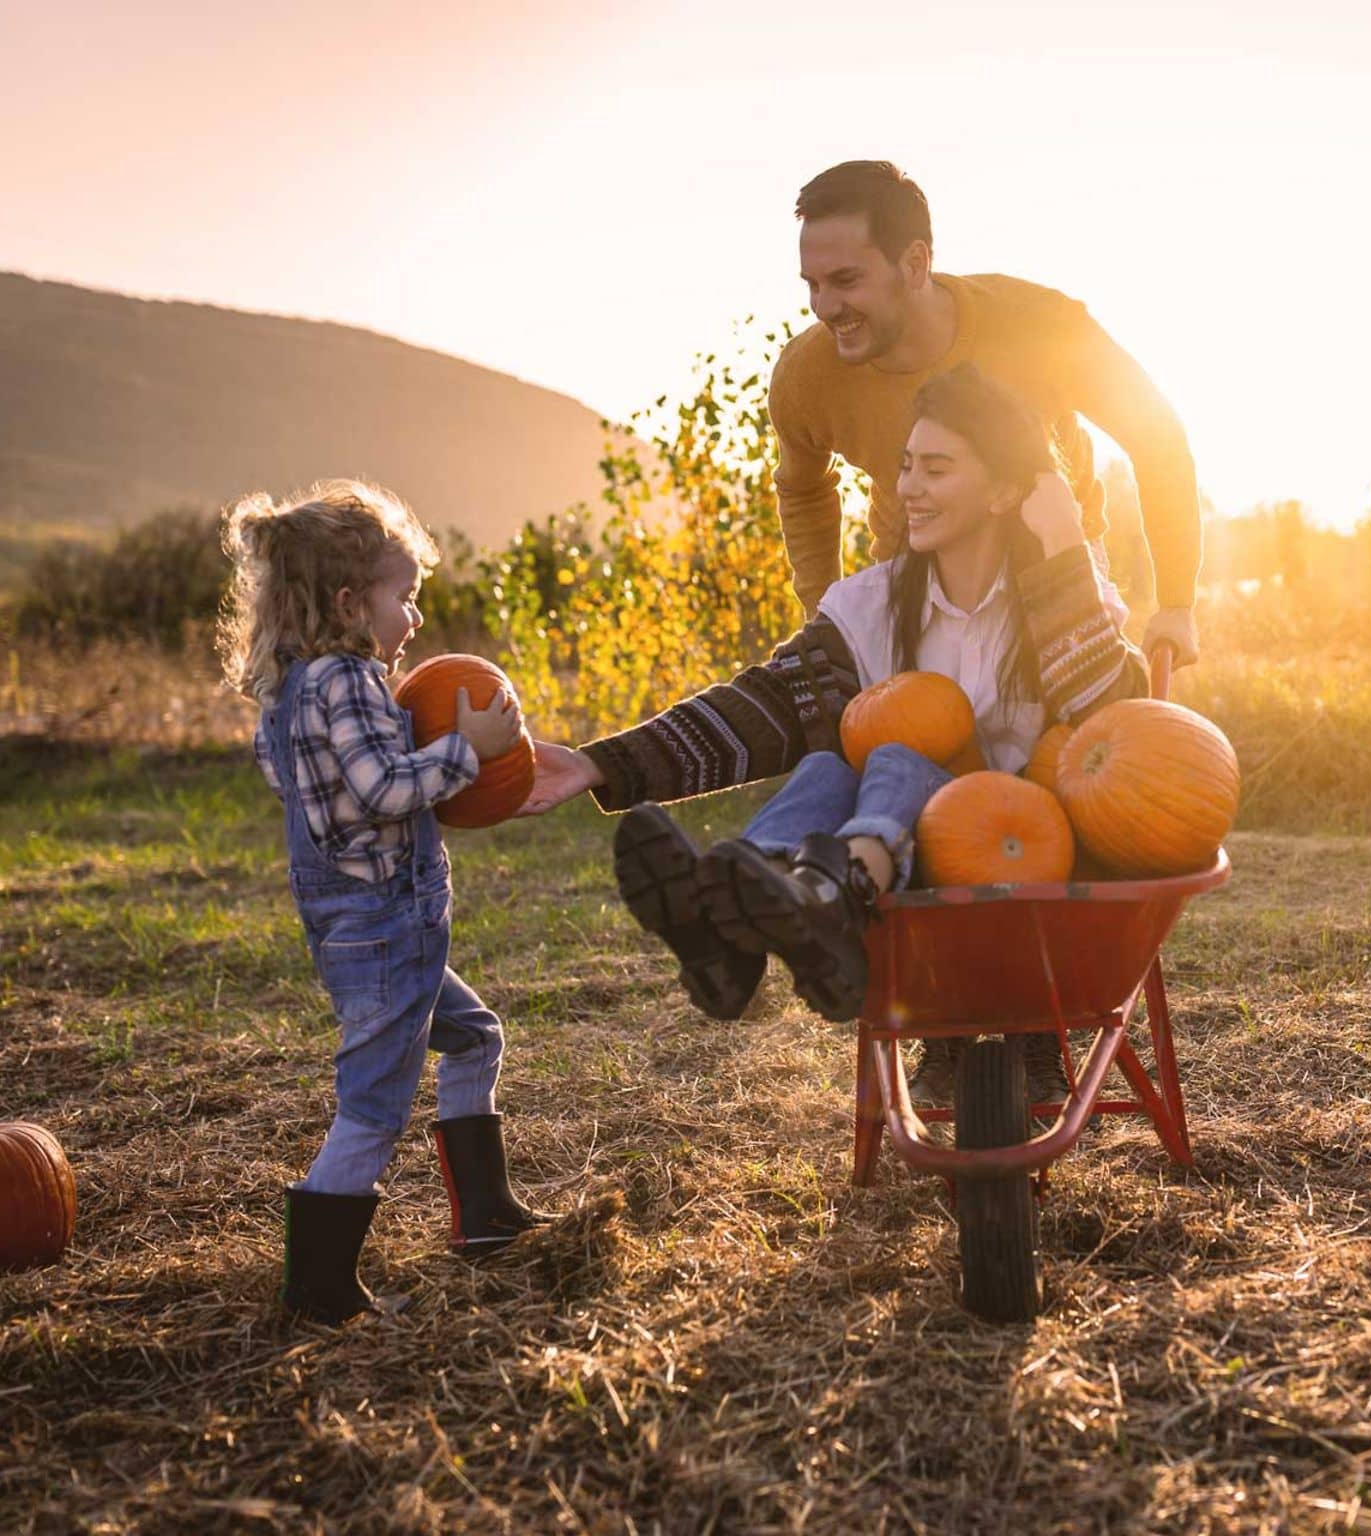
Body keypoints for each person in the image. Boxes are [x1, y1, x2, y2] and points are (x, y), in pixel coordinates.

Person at [521, 366, 1148, 1098]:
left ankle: (824, 890)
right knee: (826, 767)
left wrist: (1066, 545)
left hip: (1032, 861)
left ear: (1009, 490)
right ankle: (739, 916)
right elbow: (765, 707)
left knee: (896, 754)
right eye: (907, 465)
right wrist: (601, 764)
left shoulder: (1065, 595)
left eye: (936, 469)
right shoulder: (873, 604)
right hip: (905, 887)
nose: (907, 486)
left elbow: (1115, 722)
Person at [218, 481, 553, 1325]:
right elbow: (379, 788)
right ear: (346, 601)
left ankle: (482, 1216)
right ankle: (319, 1286)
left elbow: (296, 786)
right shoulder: (354, 681)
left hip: (346, 923)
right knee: (372, 1104)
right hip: (388, 925)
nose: (412, 617)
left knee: (475, 1036)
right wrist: (464, 752)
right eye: (402, 598)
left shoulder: (287, 693)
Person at [771, 159, 1204, 667]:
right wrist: (823, 618)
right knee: (913, 737)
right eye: (813, 284)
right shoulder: (807, 376)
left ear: (914, 264)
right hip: (914, 575)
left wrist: (1176, 603)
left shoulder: (1038, 325)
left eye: (845, 280)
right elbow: (803, 489)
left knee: (1058, 739)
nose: (824, 306)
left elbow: (1156, 436)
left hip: (1055, 562)